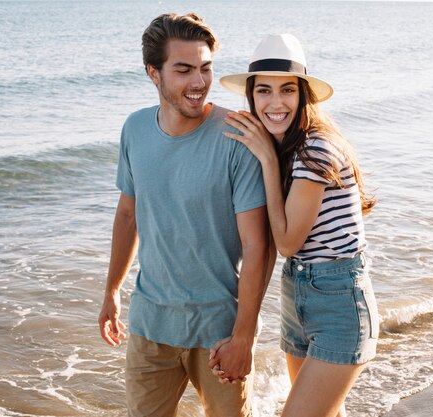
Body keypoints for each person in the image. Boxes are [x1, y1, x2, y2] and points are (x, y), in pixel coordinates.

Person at [97, 13, 270, 417]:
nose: (199, 82)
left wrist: (243, 338)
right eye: (184, 69)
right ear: (153, 73)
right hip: (149, 327)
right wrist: (110, 291)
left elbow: (257, 245)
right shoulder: (135, 129)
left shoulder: (236, 136)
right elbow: (127, 214)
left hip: (219, 333)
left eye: (206, 68)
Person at [212, 34, 379, 417]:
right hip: (297, 294)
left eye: (287, 90)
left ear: (303, 95)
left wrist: (268, 162)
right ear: (251, 97)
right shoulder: (288, 146)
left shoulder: (314, 149)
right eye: (264, 91)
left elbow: (286, 241)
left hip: (339, 301)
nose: (275, 103)